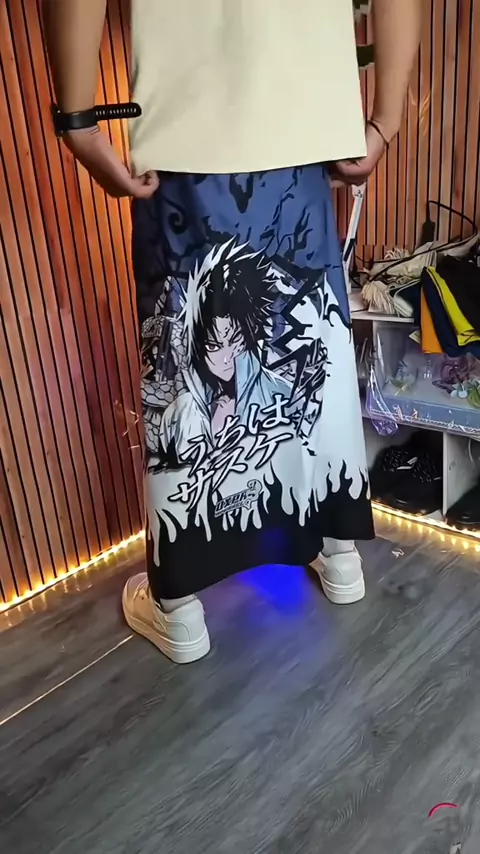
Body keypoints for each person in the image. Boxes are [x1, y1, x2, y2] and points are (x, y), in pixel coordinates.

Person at [43, 0, 422, 664]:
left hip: (187, 124)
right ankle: (338, 553)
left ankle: (180, 609)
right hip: (304, 123)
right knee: (309, 335)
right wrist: (385, 119)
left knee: (185, 360)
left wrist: (78, 120)